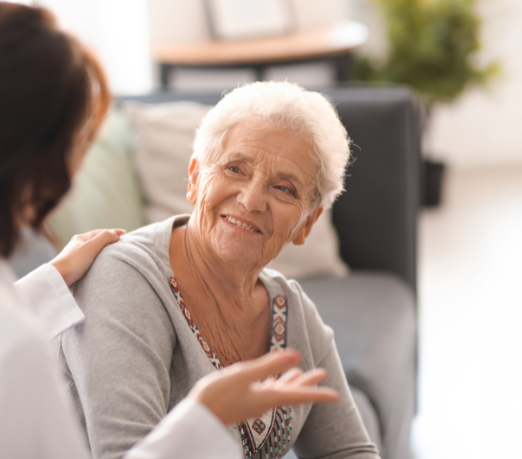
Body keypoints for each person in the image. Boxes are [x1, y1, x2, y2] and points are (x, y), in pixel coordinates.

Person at [0, 4, 339, 459]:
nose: (251, 199)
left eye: (283, 188)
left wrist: (48, 284)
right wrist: (201, 418)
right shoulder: (13, 349)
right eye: (81, 137)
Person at [60, 81, 381, 459]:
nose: (251, 199)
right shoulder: (124, 278)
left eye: (284, 188)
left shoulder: (291, 310)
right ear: (195, 179)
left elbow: (350, 451)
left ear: (307, 224)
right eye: (235, 168)